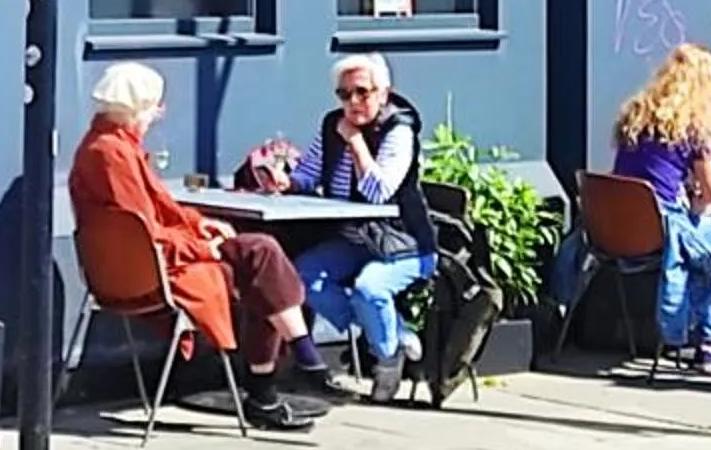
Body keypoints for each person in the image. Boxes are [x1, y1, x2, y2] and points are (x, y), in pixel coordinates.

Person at [67, 63, 329, 430]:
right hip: (150, 269)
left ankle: (293, 369)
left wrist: (198, 224)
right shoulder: (112, 154)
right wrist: (203, 247)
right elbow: (143, 230)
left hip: (149, 260)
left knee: (261, 259)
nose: (159, 114)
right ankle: (286, 374)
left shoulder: (112, 147)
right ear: (137, 106)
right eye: (155, 105)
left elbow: (158, 210)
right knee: (259, 263)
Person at [292, 54, 438, 405]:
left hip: (404, 243)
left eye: (362, 92)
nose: (353, 102)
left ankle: (387, 363)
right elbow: (306, 175)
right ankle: (395, 333)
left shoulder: (399, 131)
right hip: (356, 238)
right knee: (303, 276)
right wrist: (283, 177)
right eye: (344, 94)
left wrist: (355, 142)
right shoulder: (332, 125)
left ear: (383, 93)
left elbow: (378, 192)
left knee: (369, 288)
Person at [610, 44, 711, 372]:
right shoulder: (697, 130)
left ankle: (705, 338)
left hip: (615, 229)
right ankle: (709, 340)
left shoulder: (635, 116)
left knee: (709, 233)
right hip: (661, 232)